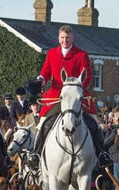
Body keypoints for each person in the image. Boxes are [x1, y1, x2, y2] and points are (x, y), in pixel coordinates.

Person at [33, 25, 113, 168]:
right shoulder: (51, 53)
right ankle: (36, 154)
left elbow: (86, 76)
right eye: (62, 38)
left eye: (68, 38)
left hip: (76, 94)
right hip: (56, 96)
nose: (65, 41)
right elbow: (45, 72)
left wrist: (77, 87)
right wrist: (40, 80)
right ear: (58, 38)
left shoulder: (82, 55)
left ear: (73, 38)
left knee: (94, 122)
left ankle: (101, 154)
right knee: (42, 123)